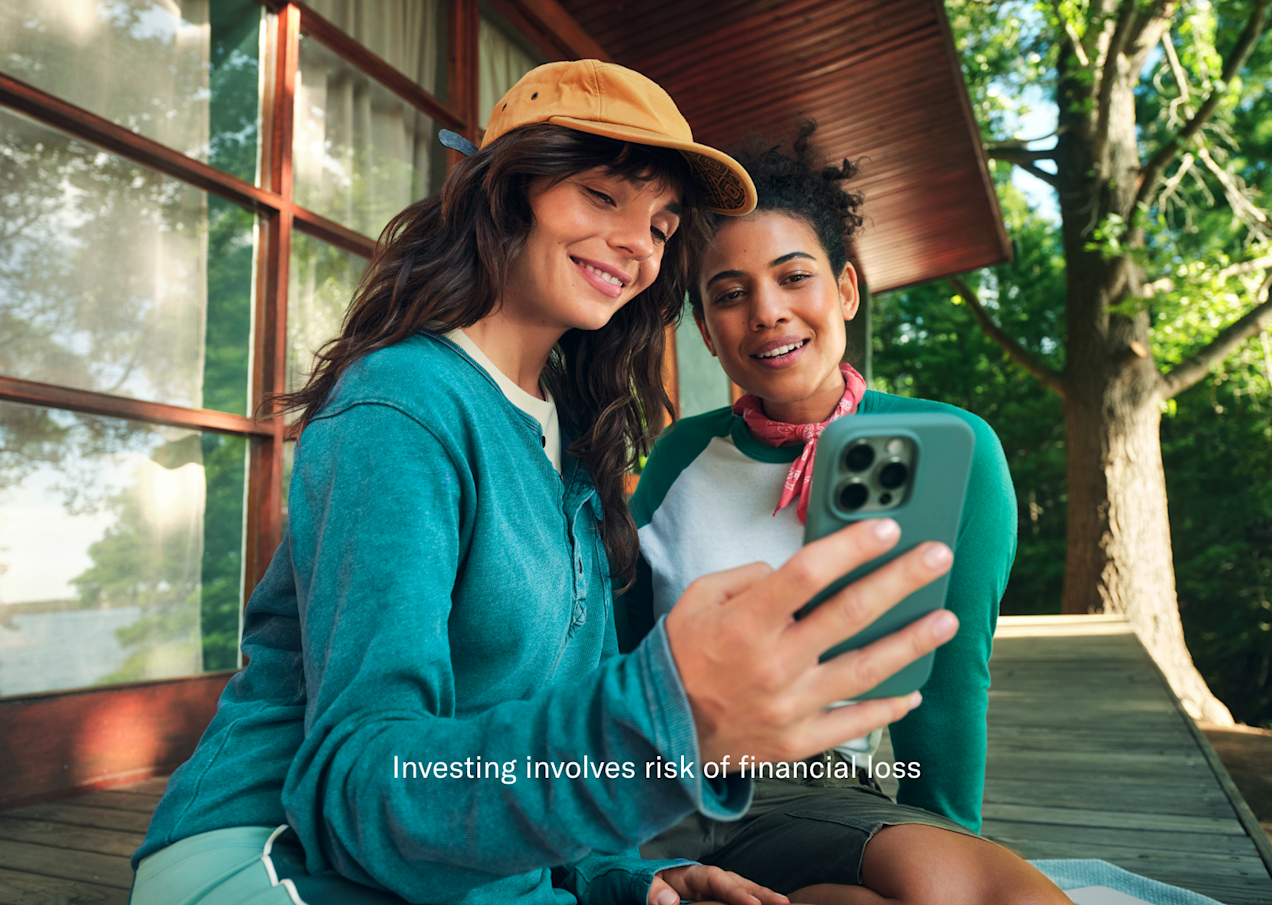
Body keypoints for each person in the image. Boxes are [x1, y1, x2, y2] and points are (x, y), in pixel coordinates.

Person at [128, 65, 959, 905]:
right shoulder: (403, 406)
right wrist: (666, 722)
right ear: (506, 192)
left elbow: (539, 738)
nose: (639, 242)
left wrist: (630, 876)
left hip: (480, 872)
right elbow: (363, 796)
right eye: (603, 196)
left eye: (662, 224)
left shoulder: (577, 437)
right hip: (278, 859)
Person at [620, 122, 1071, 905]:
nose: (767, 311)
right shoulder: (676, 459)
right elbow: (614, 656)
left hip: (820, 793)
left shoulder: (949, 447)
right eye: (729, 294)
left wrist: (944, 846)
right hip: (666, 785)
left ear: (847, 290)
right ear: (706, 330)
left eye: (795, 277)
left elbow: (950, 680)